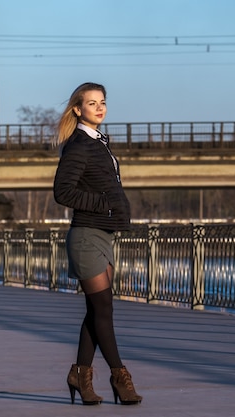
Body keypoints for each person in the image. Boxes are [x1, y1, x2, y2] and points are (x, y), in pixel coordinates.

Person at [53, 82, 142, 406]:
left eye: (102, 102)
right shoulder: (79, 144)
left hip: (103, 234)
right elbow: (63, 192)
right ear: (78, 109)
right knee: (103, 308)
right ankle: (121, 377)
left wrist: (111, 209)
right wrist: (104, 203)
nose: (100, 108)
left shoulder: (98, 142)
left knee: (96, 310)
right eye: (92, 103)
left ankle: (80, 374)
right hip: (87, 236)